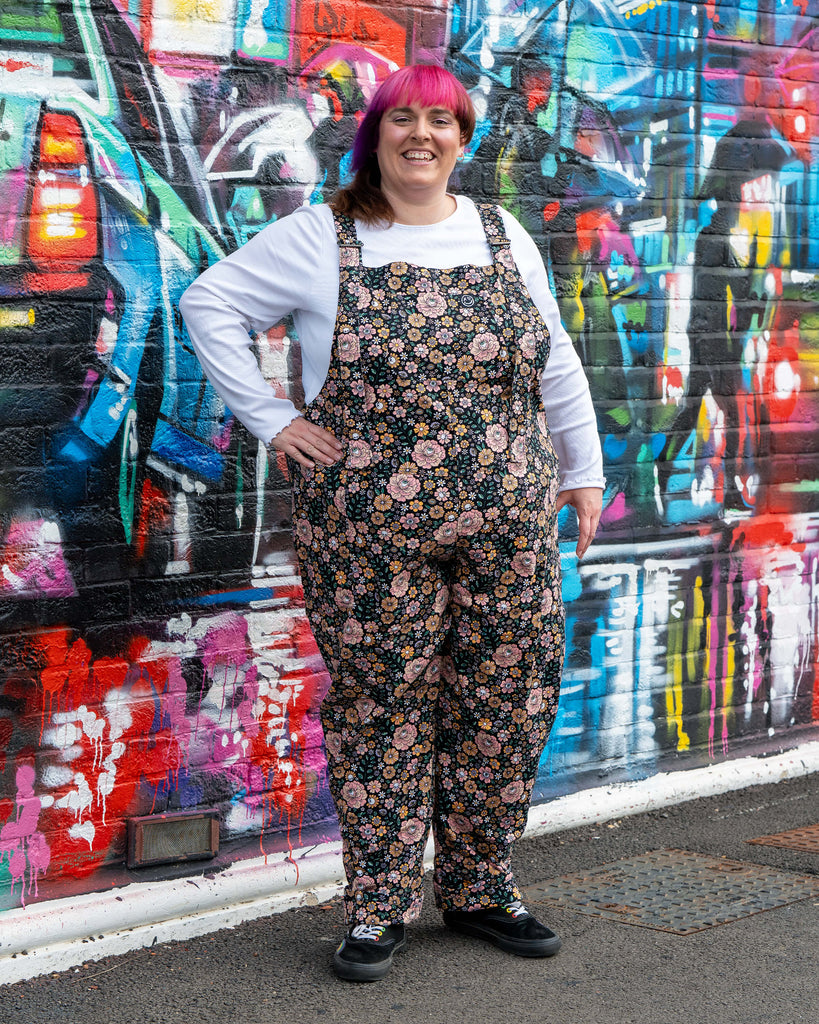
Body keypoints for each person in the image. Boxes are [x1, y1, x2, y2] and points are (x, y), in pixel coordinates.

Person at [180, 63, 604, 983]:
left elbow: (556, 358)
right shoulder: (317, 236)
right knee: (383, 704)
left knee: (506, 697)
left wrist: (584, 472)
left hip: (509, 512)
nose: (421, 135)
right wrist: (272, 420)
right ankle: (378, 904)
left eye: (440, 122)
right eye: (401, 119)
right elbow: (207, 302)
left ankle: (481, 884)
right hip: (369, 524)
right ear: (374, 134)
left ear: (462, 138)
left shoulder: (502, 233)